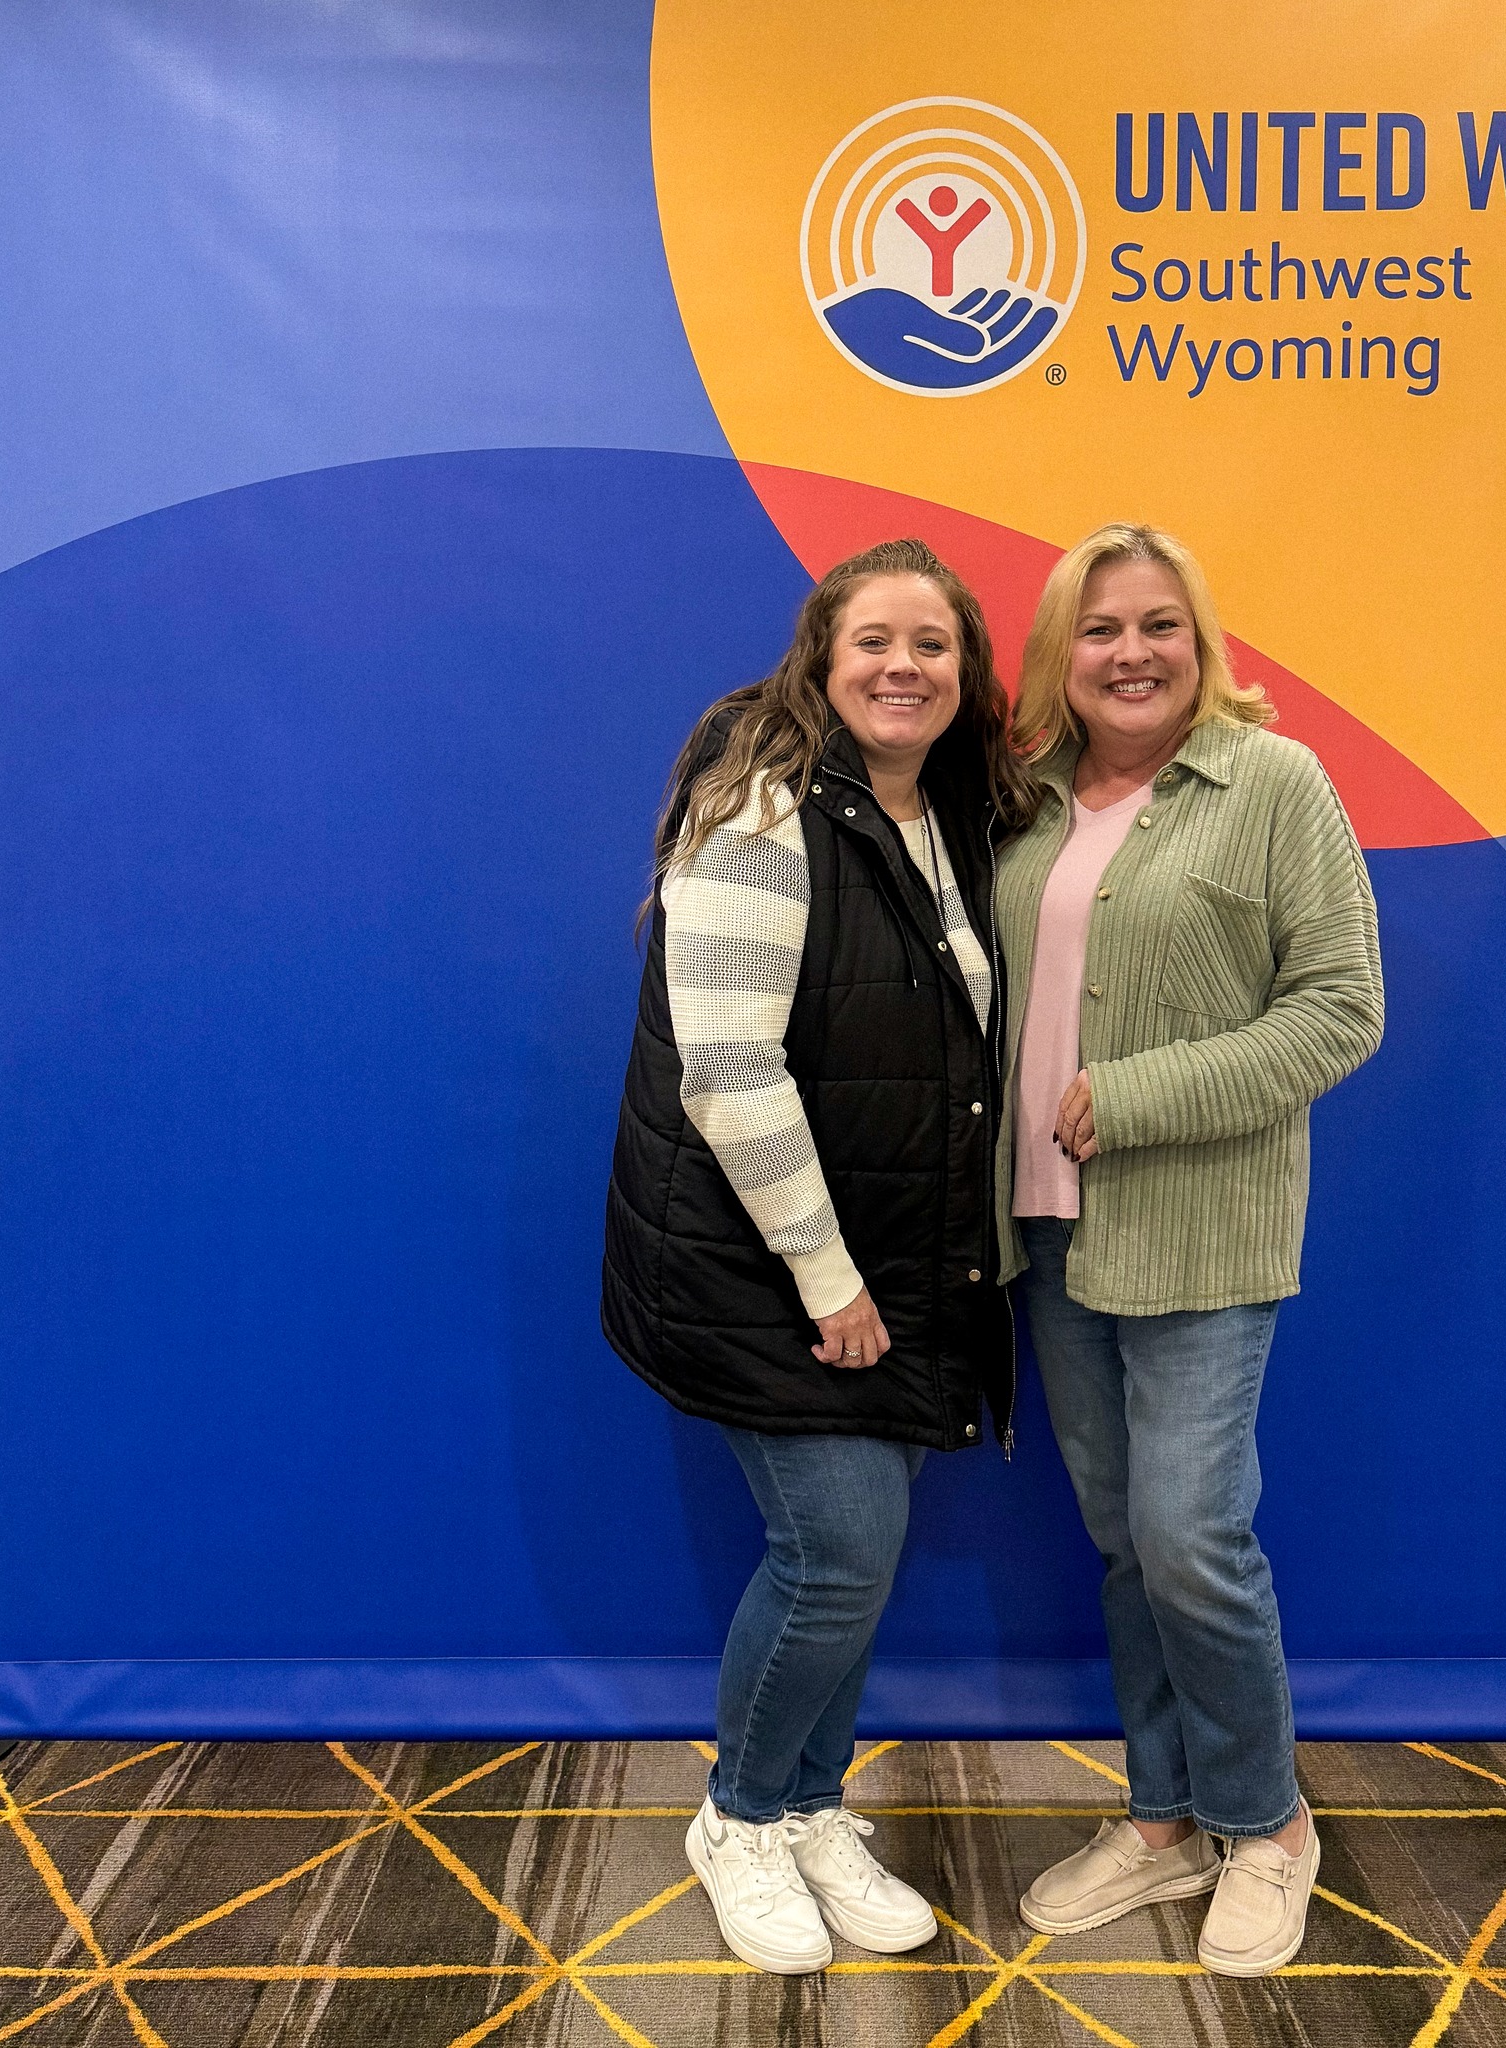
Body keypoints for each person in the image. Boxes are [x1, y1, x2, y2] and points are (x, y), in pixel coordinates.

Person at [602, 538, 1039, 1975]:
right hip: (779, 1271)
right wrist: (828, 1278)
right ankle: (736, 1816)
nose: (903, 667)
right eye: (875, 642)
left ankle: (807, 1806)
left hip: (905, 1265)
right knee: (835, 1554)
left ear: (967, 673)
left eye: (934, 644)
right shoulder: (766, 807)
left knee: (859, 1555)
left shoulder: (943, 814)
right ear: (822, 658)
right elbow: (727, 1071)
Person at [994, 523, 1383, 1975]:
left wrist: (1140, 1097)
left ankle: (1267, 1824)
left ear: (1201, 641)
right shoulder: (1026, 803)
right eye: (1100, 630)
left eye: (1160, 624)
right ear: (1059, 654)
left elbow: (1342, 1008)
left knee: (1190, 1539)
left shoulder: (1273, 784)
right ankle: (1162, 1823)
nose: (1132, 652)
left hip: (1204, 1229)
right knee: (1120, 1542)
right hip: (1045, 1232)